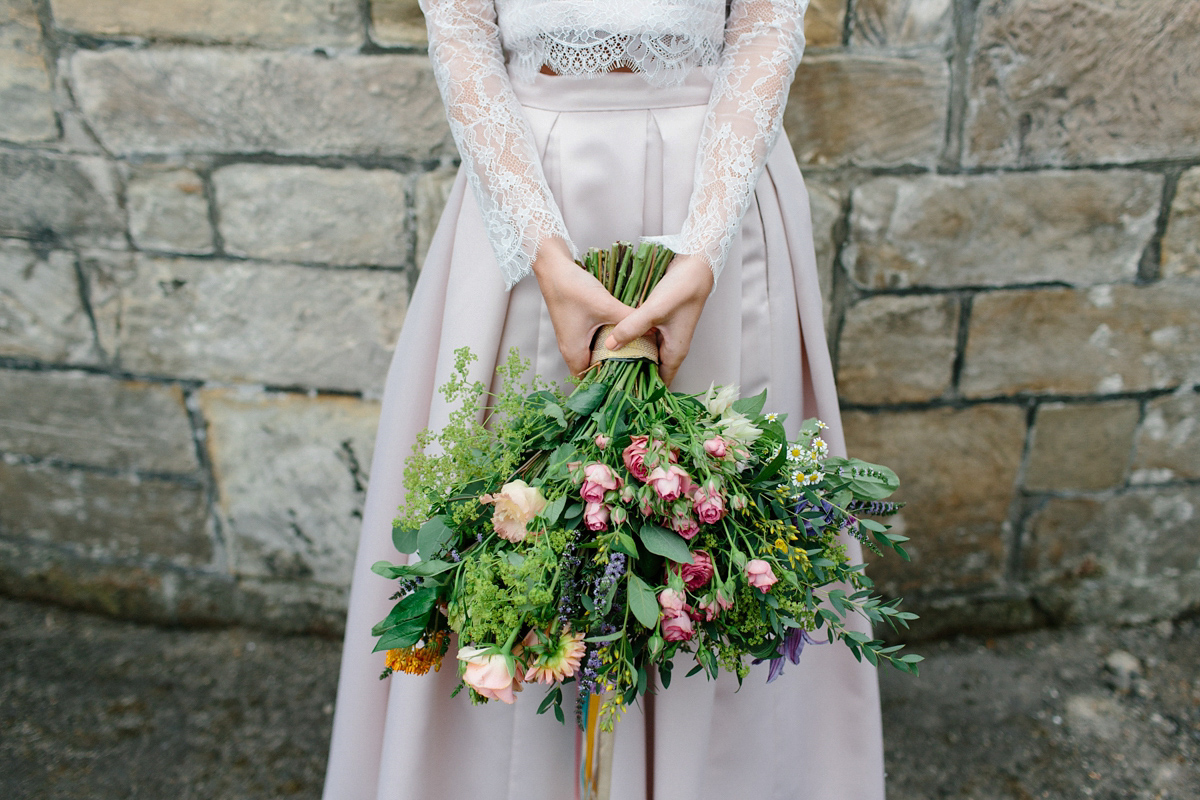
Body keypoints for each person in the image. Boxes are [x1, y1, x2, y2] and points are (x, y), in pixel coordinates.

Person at [322, 1, 886, 798]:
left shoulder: (716, 223)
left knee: (727, 532)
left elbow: (764, 22)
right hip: (532, 194)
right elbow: (462, 29)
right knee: (516, 520)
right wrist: (543, 254)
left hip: (716, 198)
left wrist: (706, 246)